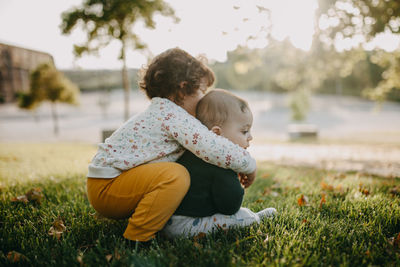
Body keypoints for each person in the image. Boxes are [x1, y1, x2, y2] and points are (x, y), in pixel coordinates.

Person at [86, 48, 257, 242]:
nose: (205, 99)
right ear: (183, 89)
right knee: (175, 176)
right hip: (109, 187)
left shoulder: (162, 112)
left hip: (107, 185)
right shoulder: (173, 115)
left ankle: (154, 221)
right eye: (202, 91)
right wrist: (248, 164)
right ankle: (137, 237)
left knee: (172, 174)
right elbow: (213, 147)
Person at [162, 89, 276, 238]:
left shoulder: (193, 152)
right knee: (242, 216)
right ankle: (255, 218)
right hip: (184, 226)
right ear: (216, 134)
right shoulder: (220, 164)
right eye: (244, 131)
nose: (250, 137)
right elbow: (230, 207)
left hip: (166, 219)